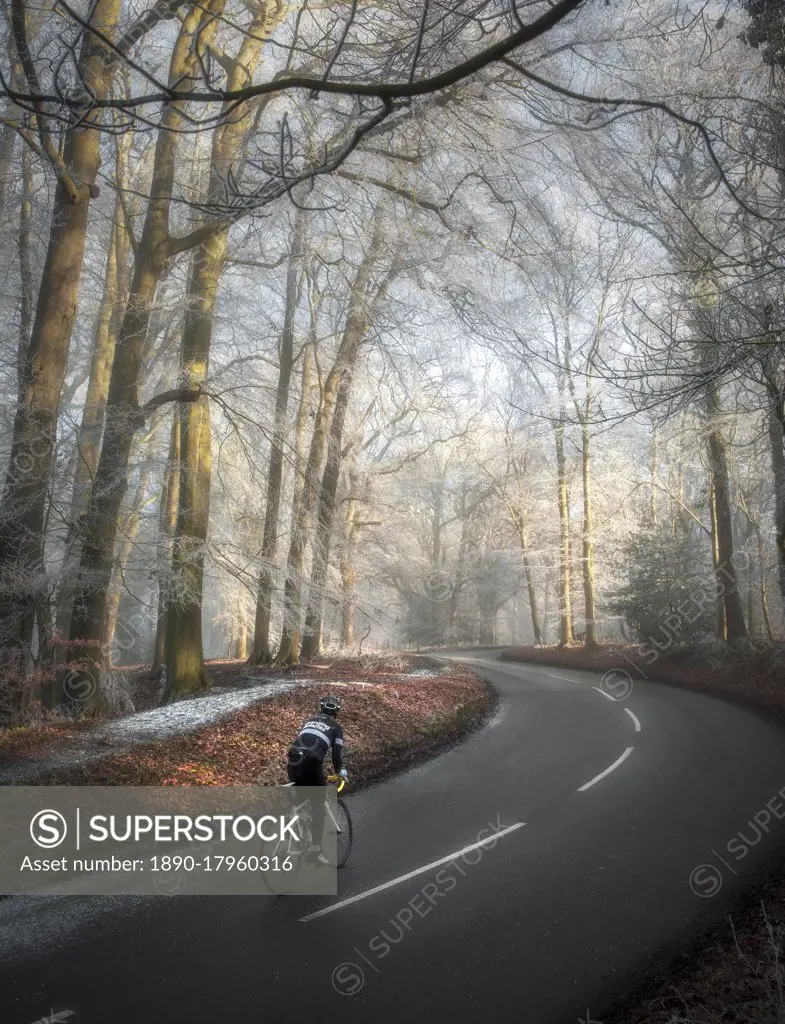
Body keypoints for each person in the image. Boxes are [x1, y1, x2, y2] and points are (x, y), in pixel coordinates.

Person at [287, 695, 348, 865]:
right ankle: (315, 851)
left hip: (293, 759)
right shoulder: (336, 728)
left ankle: (296, 826)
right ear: (337, 711)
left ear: (321, 708)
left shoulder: (309, 721)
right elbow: (336, 755)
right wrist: (339, 772)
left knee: (301, 796)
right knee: (318, 804)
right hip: (311, 763)